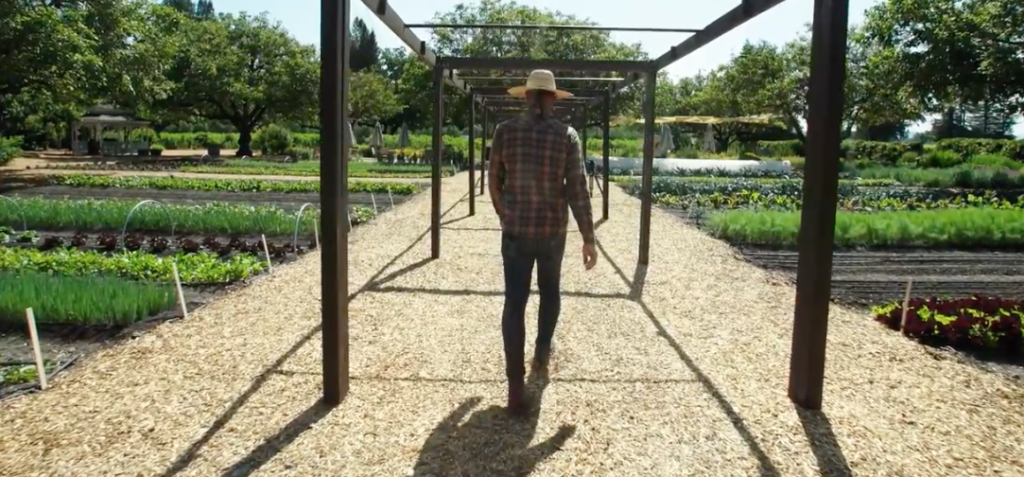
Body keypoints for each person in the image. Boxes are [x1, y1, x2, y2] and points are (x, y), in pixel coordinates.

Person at [488, 70, 599, 417]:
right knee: (550, 293)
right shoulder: (566, 135)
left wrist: (506, 215)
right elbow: (577, 188)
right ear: (552, 99)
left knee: (514, 303)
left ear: (525, 97)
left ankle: (515, 387)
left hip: (516, 232)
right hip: (553, 232)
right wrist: (588, 236)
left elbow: (494, 180)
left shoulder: (505, 132)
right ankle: (541, 351)